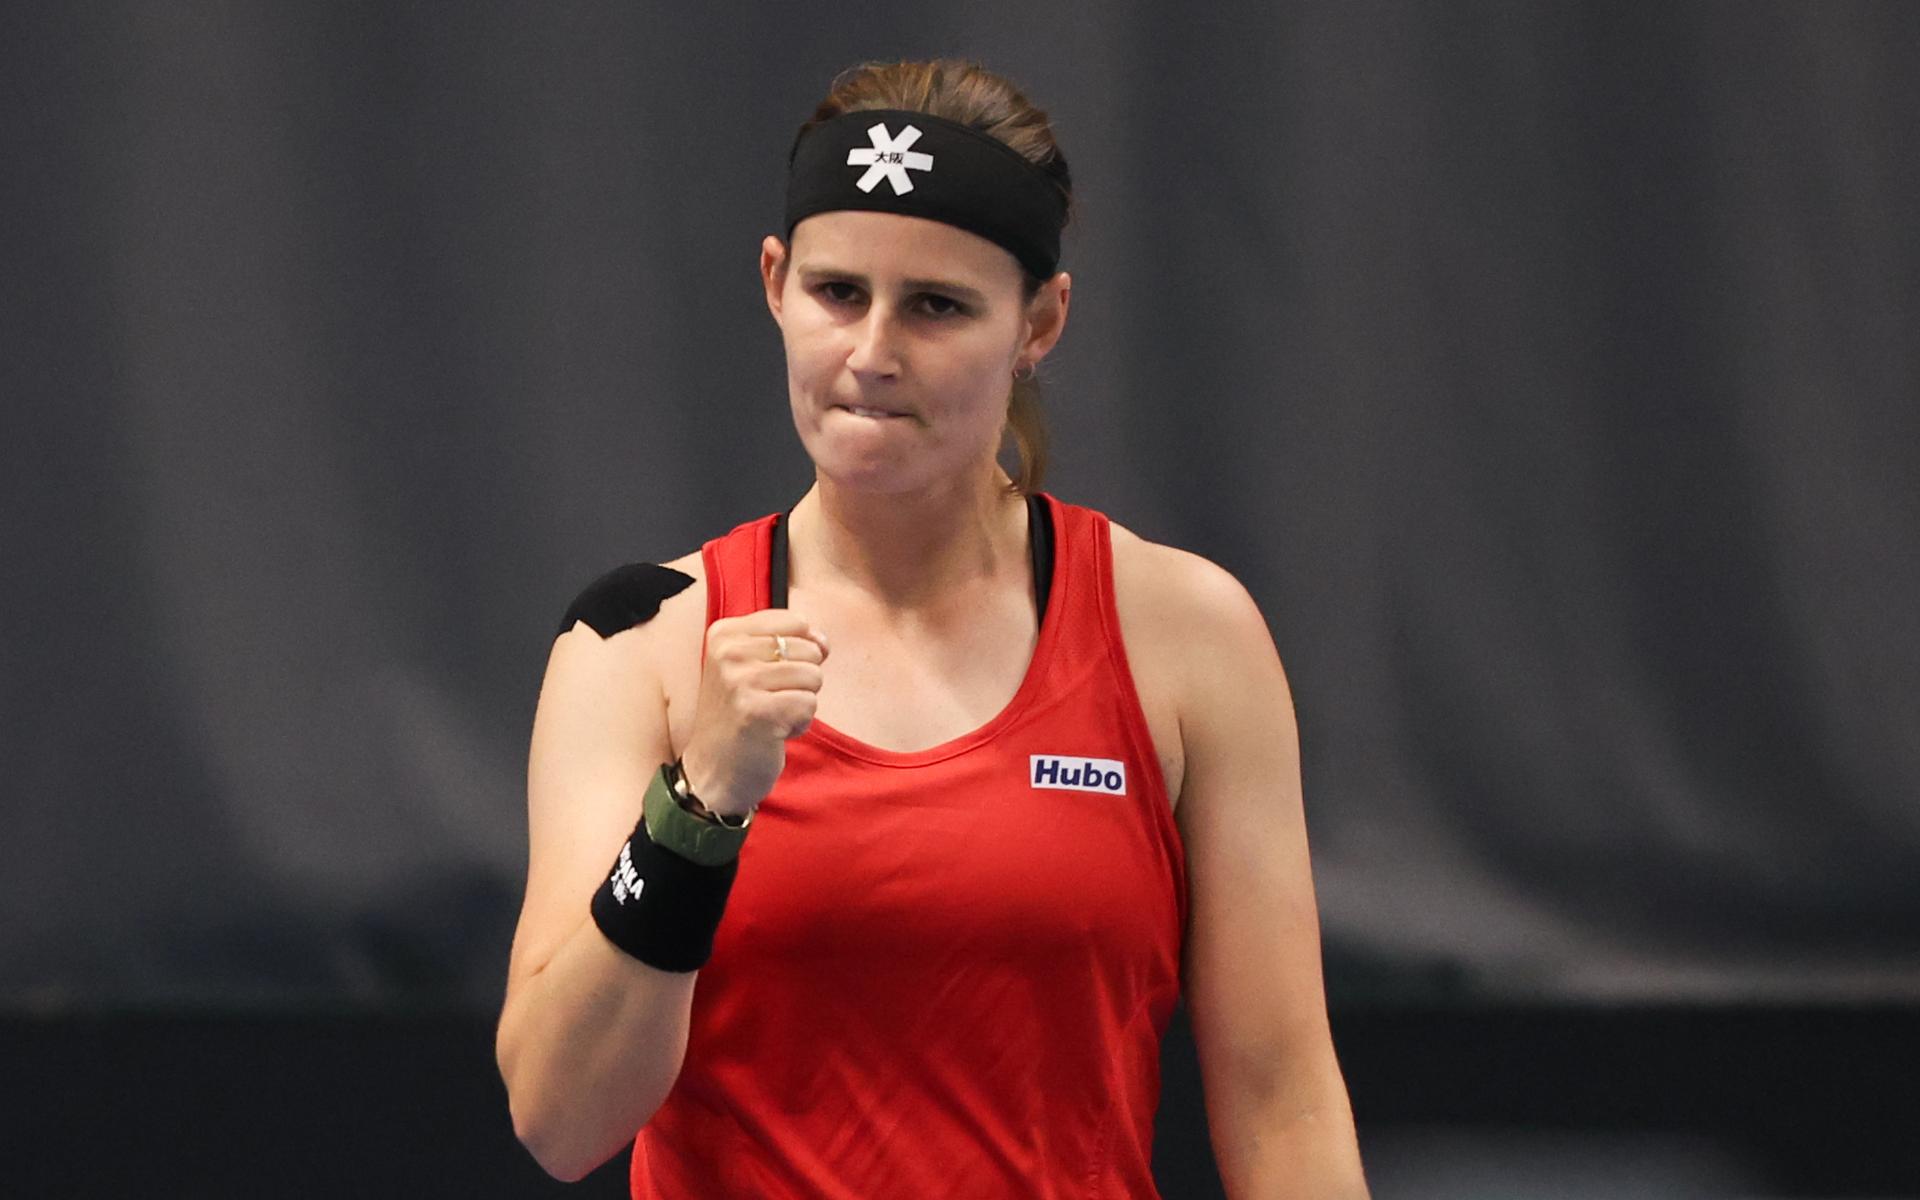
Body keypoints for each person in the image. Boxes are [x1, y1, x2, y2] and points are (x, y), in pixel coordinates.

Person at [495, 58, 1368, 1198]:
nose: (872, 354)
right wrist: (697, 809)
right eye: (838, 293)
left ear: (1041, 321)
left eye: (938, 306)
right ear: (774, 283)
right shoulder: (638, 643)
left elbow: (1283, 1106)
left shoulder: (1187, 635)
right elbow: (561, 1121)